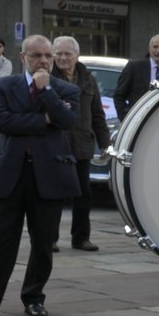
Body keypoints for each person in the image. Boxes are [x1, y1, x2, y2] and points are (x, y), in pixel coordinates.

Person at [0, 36, 79, 316]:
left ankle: (34, 298)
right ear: (22, 57)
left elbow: (66, 122)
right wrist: (42, 121)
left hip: (48, 175)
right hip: (10, 175)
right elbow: (0, 121)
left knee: (43, 244)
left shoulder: (66, 89)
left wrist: (47, 90)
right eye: (37, 55)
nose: (43, 61)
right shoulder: (4, 86)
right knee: (0, 242)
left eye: (48, 56)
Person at [50, 36, 109, 252]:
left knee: (84, 194)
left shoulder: (88, 78)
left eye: (68, 54)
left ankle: (81, 238)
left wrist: (105, 144)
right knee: (54, 194)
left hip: (82, 144)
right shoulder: (47, 77)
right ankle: (50, 239)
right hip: (56, 145)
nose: (63, 58)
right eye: (59, 53)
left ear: (77, 55)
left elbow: (97, 114)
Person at [115, 34, 159, 118]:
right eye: (155, 47)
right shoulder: (134, 67)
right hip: (138, 120)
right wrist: (125, 117)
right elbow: (119, 95)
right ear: (149, 49)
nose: (158, 51)